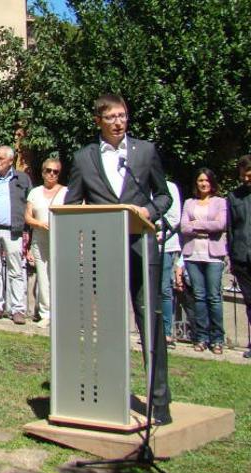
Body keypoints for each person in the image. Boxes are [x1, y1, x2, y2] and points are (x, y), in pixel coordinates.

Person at [64, 93, 173, 424]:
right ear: (98, 120)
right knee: (108, 325)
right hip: (104, 250)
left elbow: (164, 195)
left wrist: (148, 210)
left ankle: (159, 402)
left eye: (123, 116)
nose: (118, 122)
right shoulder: (84, 158)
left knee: (148, 320)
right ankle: (109, 394)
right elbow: (72, 205)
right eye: (111, 117)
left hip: (141, 245)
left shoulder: (145, 151)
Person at [0, 145, 32, 325]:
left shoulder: (22, 179)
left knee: (15, 270)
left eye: (1, 158)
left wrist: (27, 231)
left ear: (11, 161)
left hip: (13, 230)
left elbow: (29, 203)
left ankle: (17, 309)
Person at [180, 168, 228, 355]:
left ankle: (217, 339)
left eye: (207, 180)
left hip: (213, 255)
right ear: (196, 183)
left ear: (212, 183)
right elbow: (184, 227)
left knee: (214, 297)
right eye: (200, 180)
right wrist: (206, 227)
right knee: (198, 296)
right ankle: (201, 337)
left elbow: (221, 225)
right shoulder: (189, 202)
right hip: (193, 255)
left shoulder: (220, 202)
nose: (203, 183)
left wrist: (196, 225)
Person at [24, 158, 67, 329]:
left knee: (59, 276)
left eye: (55, 171)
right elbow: (27, 216)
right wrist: (39, 224)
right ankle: (45, 313)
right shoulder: (35, 192)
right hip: (39, 237)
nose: (51, 174)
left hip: (60, 237)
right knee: (43, 276)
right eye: (48, 170)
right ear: (42, 172)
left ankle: (61, 314)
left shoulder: (66, 192)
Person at [226, 156, 251, 358]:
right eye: (243, 176)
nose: (246, 179)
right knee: (249, 302)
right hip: (242, 257)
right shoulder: (234, 196)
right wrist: (233, 259)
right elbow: (231, 228)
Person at [159, 180, 182, 348]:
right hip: (145, 243)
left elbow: (174, 218)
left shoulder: (170, 187)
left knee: (164, 289)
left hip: (165, 244)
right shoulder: (139, 184)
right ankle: (150, 330)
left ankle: (166, 332)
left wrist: (157, 231)